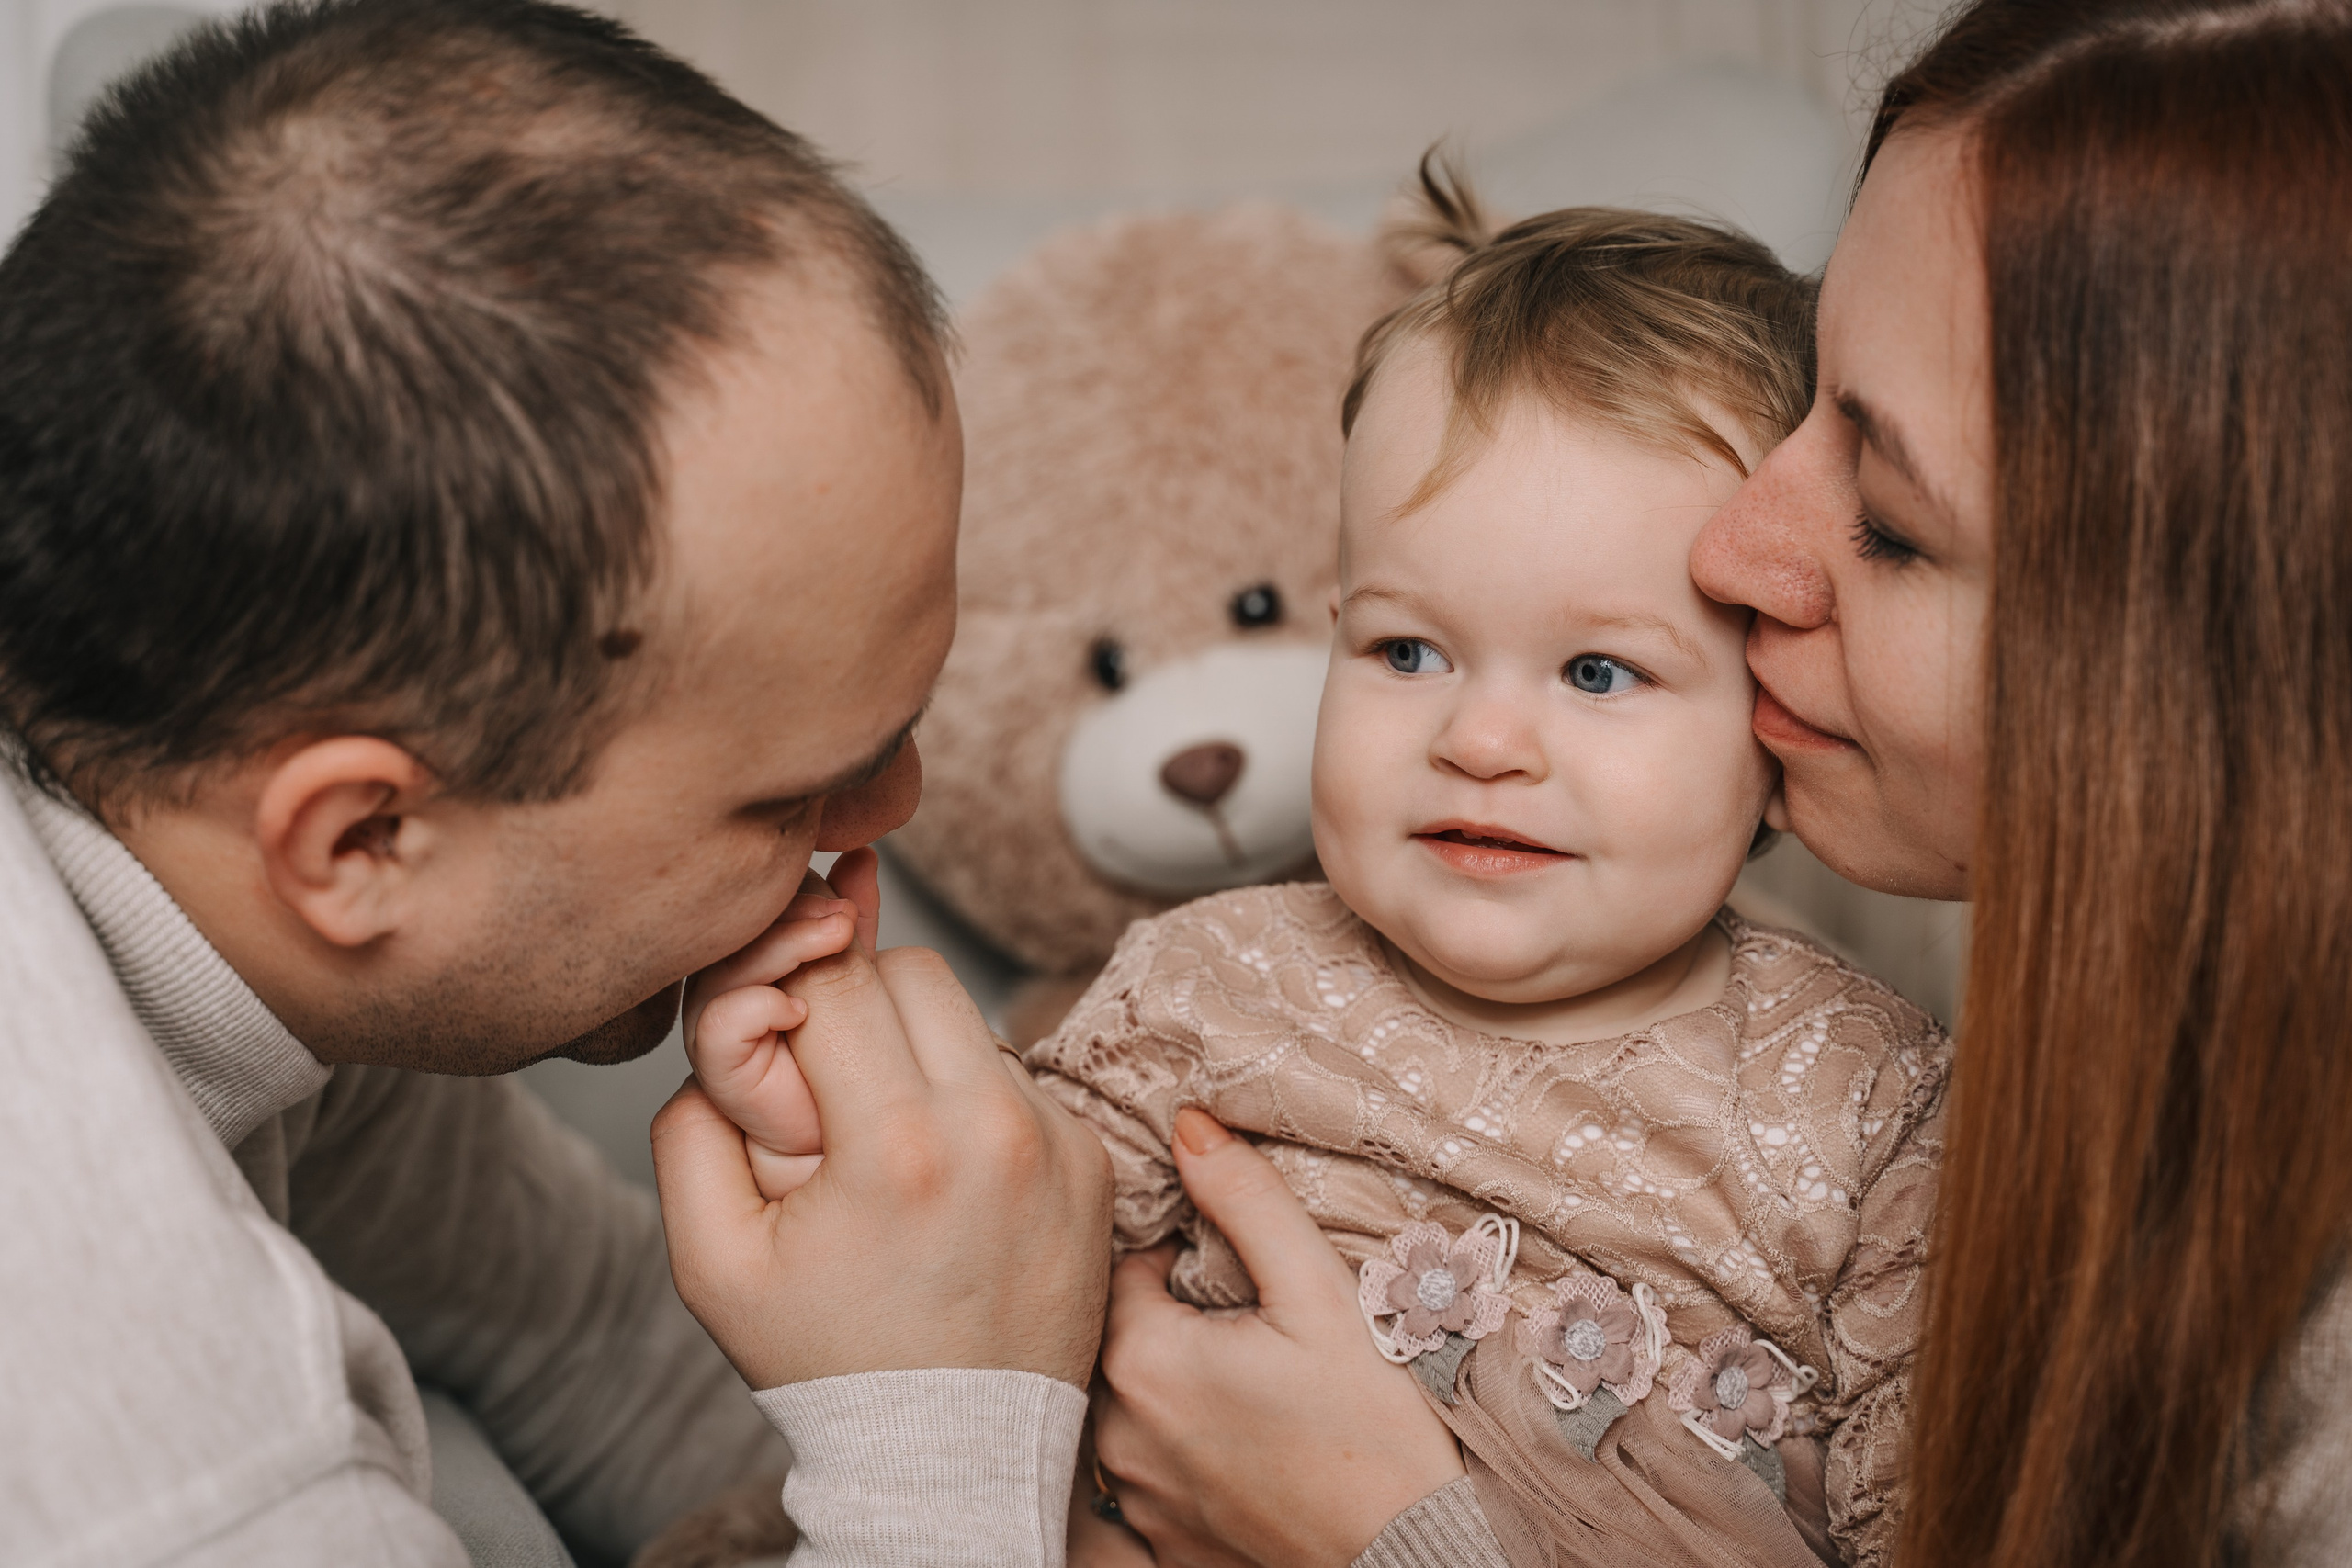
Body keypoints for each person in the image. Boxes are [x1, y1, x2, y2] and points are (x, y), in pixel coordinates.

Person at [1076, 3, 2352, 1565]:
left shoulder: (1887, 1131)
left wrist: (1385, 1536)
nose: (1733, 558)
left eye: (1886, 516)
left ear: (2218, 659)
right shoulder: (1210, 984)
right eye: (1403, 648)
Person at [0, 3, 1112, 1565]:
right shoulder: (173, 1469)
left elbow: (579, 1333)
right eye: (801, 788)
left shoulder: (240, 885)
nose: (899, 807)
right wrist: (954, 1426)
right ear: (365, 838)